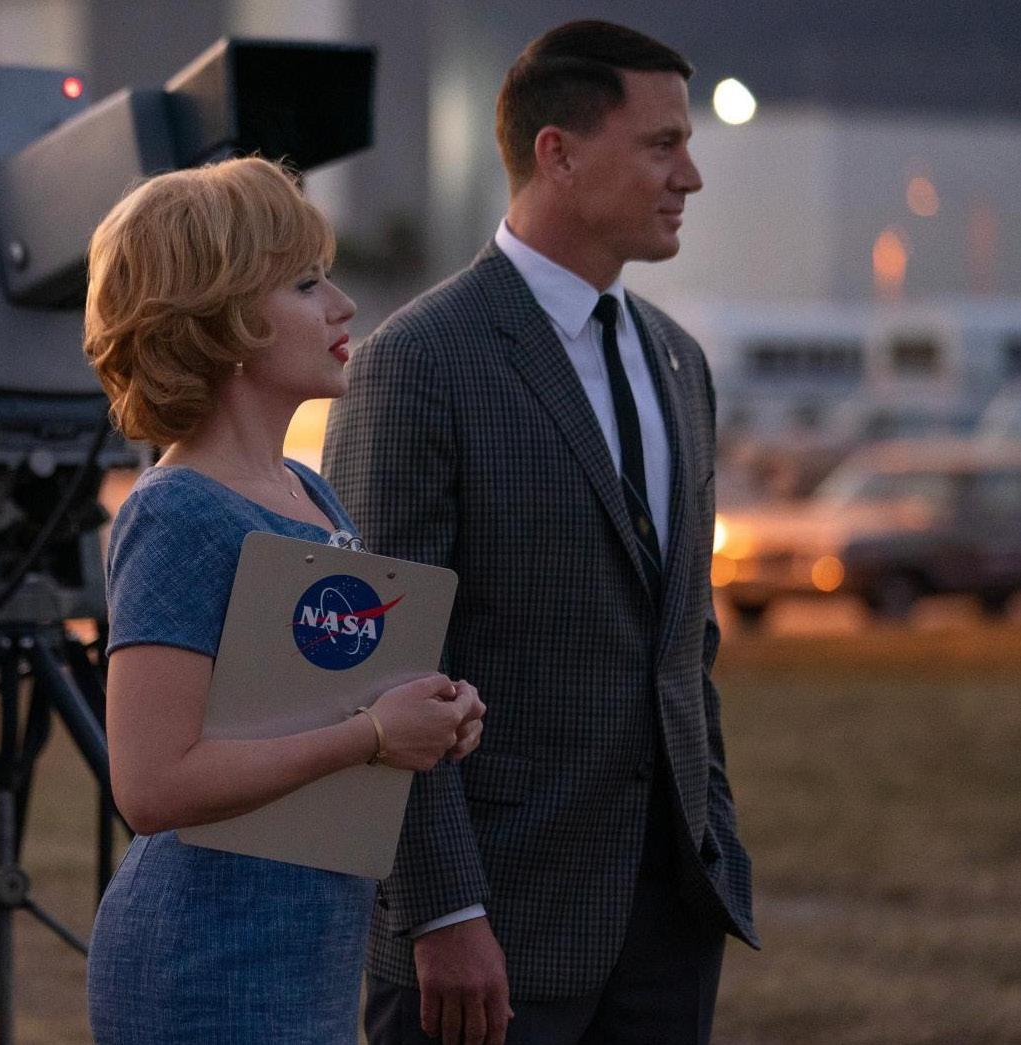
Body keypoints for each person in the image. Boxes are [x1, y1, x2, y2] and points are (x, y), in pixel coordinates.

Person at [322, 20, 759, 1045]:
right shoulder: (419, 360)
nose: (690, 176)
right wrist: (442, 908)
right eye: (661, 144)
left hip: (667, 926)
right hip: (488, 935)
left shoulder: (677, 362)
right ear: (556, 153)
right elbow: (381, 659)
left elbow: (683, 644)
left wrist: (712, 840)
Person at [82, 156, 487, 1044]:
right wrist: (372, 735)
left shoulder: (312, 492)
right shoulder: (176, 509)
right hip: (204, 960)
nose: (343, 305)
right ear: (220, 317)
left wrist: (429, 715)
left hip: (304, 950)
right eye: (305, 284)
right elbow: (151, 784)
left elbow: (305, 710)